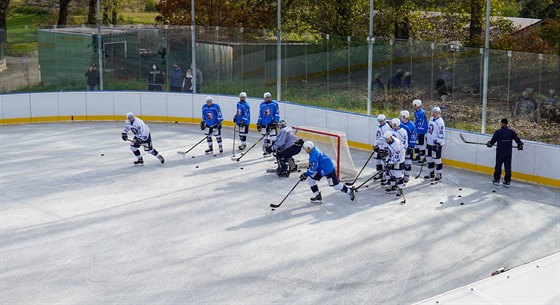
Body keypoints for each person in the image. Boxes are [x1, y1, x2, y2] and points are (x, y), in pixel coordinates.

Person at [486, 118, 524, 187]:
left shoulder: (498, 132)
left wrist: (489, 144)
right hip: (508, 152)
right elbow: (518, 140)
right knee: (508, 167)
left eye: (501, 123)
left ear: (503, 124)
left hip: (500, 152)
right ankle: (507, 181)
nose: (500, 124)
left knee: (498, 166)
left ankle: (496, 179)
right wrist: (520, 145)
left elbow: (492, 142)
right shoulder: (512, 132)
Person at [424, 106, 445, 182]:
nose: (434, 114)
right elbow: (429, 130)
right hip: (429, 142)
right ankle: (431, 173)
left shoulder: (440, 121)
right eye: (433, 112)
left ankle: (439, 174)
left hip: (436, 144)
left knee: (437, 159)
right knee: (429, 158)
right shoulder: (431, 119)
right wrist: (427, 136)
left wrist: (438, 142)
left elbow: (442, 132)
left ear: (439, 113)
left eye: (436, 112)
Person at [382, 131, 405, 197]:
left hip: (399, 160)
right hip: (391, 159)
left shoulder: (396, 144)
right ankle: (393, 186)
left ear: (391, 137)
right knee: (391, 173)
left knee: (397, 175)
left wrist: (390, 163)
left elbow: (396, 157)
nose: (386, 141)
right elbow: (387, 150)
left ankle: (400, 189)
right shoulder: (388, 141)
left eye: (387, 139)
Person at [257, 92, 280, 157]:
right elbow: (260, 115)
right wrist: (259, 123)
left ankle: (274, 150)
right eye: (266, 97)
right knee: (265, 137)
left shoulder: (275, 104)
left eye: (269, 97)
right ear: (264, 98)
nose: (268, 98)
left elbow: (277, 113)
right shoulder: (262, 105)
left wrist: (276, 121)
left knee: (273, 137)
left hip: (272, 123)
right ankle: (267, 150)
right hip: (264, 123)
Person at [399, 110, 417, 182]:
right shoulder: (399, 123)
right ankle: (399, 175)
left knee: (407, 162)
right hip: (400, 146)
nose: (400, 117)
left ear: (404, 117)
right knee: (400, 161)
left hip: (407, 146)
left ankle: (407, 176)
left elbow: (413, 136)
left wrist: (411, 146)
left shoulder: (412, 126)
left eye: (401, 116)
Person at [374, 114, 392, 184]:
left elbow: (386, 138)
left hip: (384, 147)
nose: (380, 122)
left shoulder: (386, 127)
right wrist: (375, 145)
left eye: (381, 121)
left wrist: (385, 148)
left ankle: (385, 176)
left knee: (384, 163)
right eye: (379, 121)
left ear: (384, 120)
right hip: (379, 146)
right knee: (377, 161)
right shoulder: (378, 126)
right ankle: (379, 174)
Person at [412, 99, 428, 163]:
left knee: (421, 144)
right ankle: (418, 156)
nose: (413, 106)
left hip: (421, 130)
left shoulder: (421, 112)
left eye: (414, 105)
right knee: (416, 144)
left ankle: (423, 157)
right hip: (417, 129)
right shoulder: (416, 111)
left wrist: (419, 130)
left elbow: (422, 123)